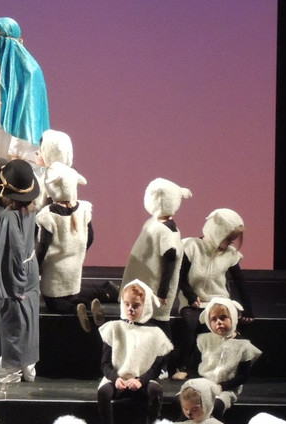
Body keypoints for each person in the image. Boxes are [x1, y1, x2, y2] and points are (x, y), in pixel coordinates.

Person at [171, 209, 254, 379]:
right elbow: (180, 276)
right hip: (193, 301)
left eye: (233, 239)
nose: (230, 243)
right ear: (217, 231)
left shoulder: (230, 254)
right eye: (228, 238)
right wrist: (191, 296)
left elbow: (240, 282)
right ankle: (182, 364)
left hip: (218, 300)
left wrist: (248, 308)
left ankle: (226, 366)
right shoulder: (191, 246)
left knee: (228, 326)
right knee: (190, 325)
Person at [120, 178, 192, 337]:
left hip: (154, 288)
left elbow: (170, 261)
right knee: (145, 321)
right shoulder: (155, 224)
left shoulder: (166, 231)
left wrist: (162, 293)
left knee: (156, 324)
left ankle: (165, 351)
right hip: (144, 281)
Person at [0, 159, 41, 383]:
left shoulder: (9, 217)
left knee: (12, 320)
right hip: (29, 271)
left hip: (16, 275)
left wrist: (13, 287)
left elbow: (12, 253)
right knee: (28, 320)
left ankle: (9, 369)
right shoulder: (30, 211)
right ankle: (28, 365)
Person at [96, 279, 173, 424]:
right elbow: (105, 364)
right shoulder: (114, 328)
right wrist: (115, 379)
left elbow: (156, 368)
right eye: (127, 304)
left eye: (136, 305)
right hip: (118, 380)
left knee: (155, 391)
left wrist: (140, 381)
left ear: (146, 305)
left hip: (142, 381)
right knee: (104, 392)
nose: (130, 309)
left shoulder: (155, 333)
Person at [35, 155, 99, 326]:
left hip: (54, 271)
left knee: (54, 302)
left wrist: (36, 266)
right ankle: (88, 305)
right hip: (74, 269)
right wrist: (78, 253)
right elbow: (91, 237)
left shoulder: (48, 215)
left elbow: (43, 245)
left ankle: (76, 309)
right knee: (71, 295)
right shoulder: (83, 208)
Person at [0, 17, 49, 160]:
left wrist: (16, 152)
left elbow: (28, 117)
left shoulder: (29, 73)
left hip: (14, 148)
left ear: (3, 40)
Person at [194, 297, 262, 418]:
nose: (219, 322)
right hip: (205, 384)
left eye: (223, 317)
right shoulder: (205, 340)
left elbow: (243, 376)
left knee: (215, 406)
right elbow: (197, 364)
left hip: (227, 389)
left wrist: (222, 386)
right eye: (214, 319)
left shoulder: (243, 345)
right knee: (187, 401)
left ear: (233, 317)